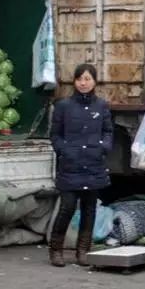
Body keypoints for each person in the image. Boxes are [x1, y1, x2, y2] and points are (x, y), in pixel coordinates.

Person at [48, 64, 113, 267]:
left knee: (89, 208)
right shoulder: (64, 106)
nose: (83, 83)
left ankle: (83, 250)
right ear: (74, 82)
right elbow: (55, 134)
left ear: (94, 81)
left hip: (93, 164)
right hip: (70, 165)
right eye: (79, 79)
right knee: (67, 207)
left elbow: (108, 131)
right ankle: (55, 249)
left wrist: (103, 147)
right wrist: (63, 150)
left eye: (87, 79)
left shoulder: (101, 106)